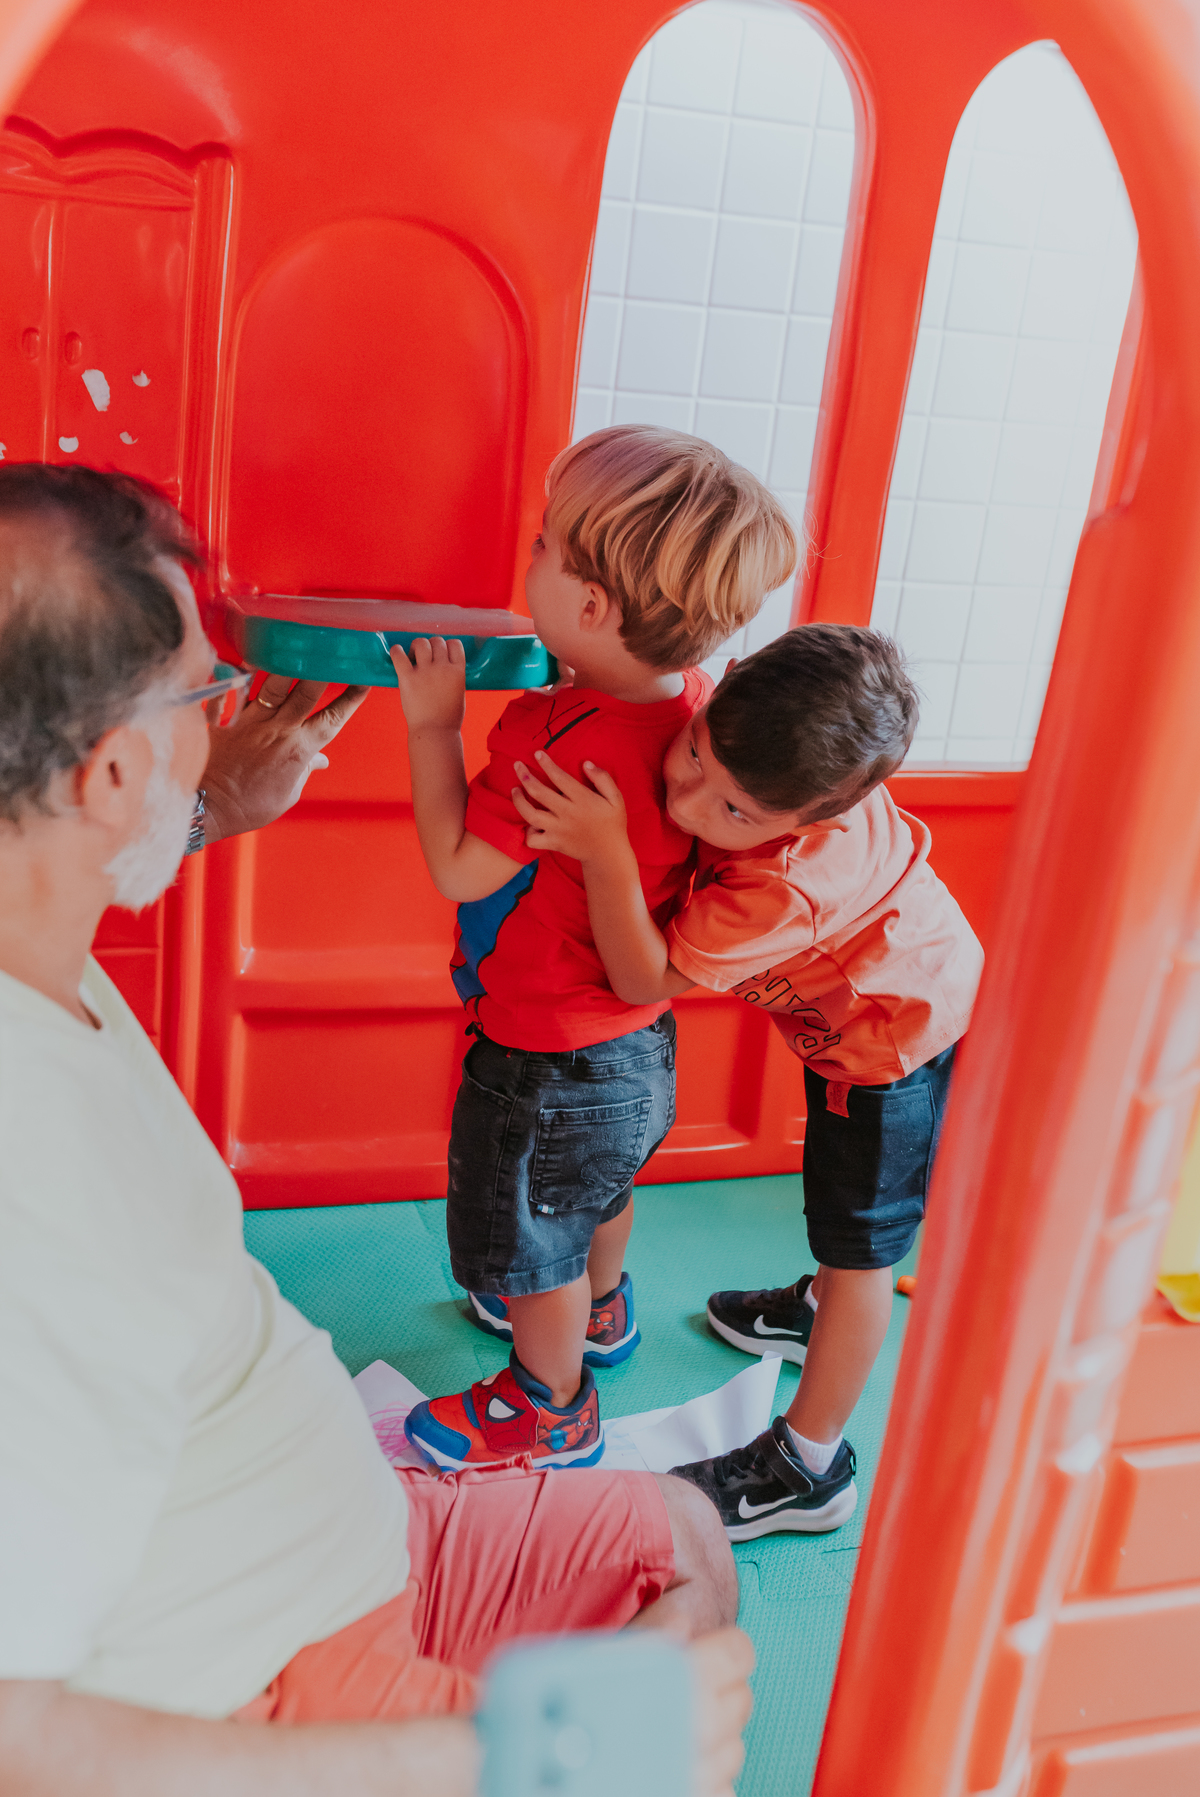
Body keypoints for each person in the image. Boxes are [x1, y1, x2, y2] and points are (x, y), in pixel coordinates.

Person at [0, 463, 752, 1796]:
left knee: (682, 1531)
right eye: (207, 696)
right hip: (261, 1672)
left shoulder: (40, 923)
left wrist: (206, 795)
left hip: (346, 1527)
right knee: (665, 1720)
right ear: (108, 769)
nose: (225, 721)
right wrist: (511, 1752)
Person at [505, 624, 984, 1537]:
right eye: (694, 753)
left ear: (809, 820)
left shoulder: (791, 883)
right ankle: (814, 1309)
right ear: (715, 691)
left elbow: (644, 980)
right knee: (842, 1231)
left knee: (864, 1255)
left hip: (888, 1050)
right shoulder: (756, 747)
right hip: (889, 1003)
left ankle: (810, 1463)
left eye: (733, 813)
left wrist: (607, 847)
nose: (687, 797)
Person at [391, 425, 798, 1471]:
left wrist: (434, 727)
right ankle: (604, 1314)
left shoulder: (556, 740)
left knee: (533, 1241)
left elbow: (457, 867)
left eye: (542, 545)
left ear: (591, 608)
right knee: (595, 1195)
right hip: (637, 1047)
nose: (526, 558)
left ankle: (547, 1405)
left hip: (541, 1055)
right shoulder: (698, 715)